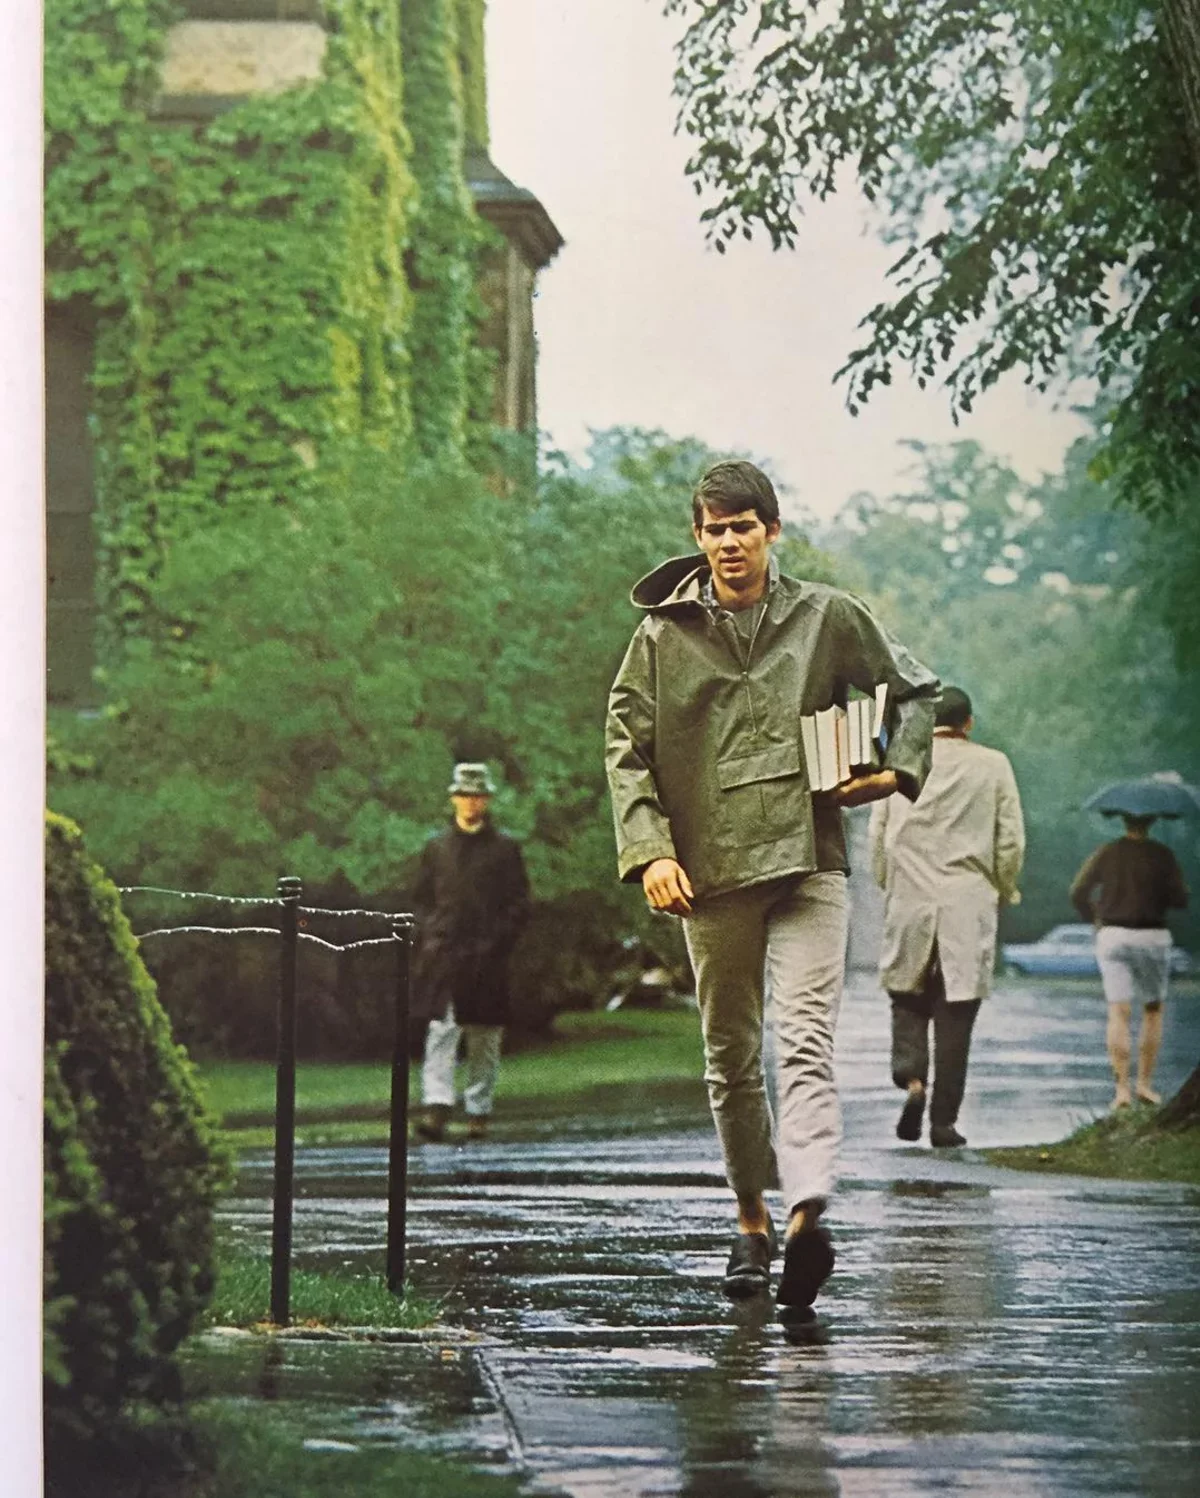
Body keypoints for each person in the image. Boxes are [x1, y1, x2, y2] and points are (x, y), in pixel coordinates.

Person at [605, 459, 938, 1330]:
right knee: (730, 1058)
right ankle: (751, 1223)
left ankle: (807, 1215)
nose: (728, 543)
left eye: (742, 527)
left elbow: (913, 690)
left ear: (771, 532)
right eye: (713, 529)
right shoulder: (661, 637)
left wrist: (894, 770)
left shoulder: (825, 616)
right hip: (708, 878)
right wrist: (648, 853)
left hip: (809, 864)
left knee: (804, 1044)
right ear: (697, 537)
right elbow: (626, 748)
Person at [868, 686, 1025, 1149]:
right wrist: (1003, 885)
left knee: (907, 995)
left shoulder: (901, 761)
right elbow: (1010, 839)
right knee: (957, 1012)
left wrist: (887, 882)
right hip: (967, 901)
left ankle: (912, 1079)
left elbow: (879, 834)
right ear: (968, 723)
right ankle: (943, 1123)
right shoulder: (993, 765)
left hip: (910, 896)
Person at [411, 763, 531, 1142]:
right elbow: (420, 899)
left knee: (485, 1036)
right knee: (441, 1030)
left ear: (487, 799)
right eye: (464, 795)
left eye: (476, 796)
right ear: (453, 799)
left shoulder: (505, 849)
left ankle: (479, 1109)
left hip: (488, 955)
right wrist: (430, 933)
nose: (470, 802)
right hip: (445, 954)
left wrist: (498, 941)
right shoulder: (436, 847)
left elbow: (519, 902)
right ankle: (437, 1105)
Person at [1069, 813, 1188, 1109]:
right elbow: (1180, 898)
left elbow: (1078, 891)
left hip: (1113, 934)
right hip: (1152, 935)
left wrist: (1095, 917)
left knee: (1118, 1012)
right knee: (1152, 1010)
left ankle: (1121, 1091)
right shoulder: (1163, 855)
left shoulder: (1108, 852)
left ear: (1122, 819)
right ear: (1152, 821)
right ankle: (1145, 1085)